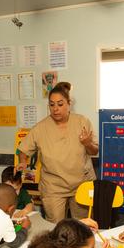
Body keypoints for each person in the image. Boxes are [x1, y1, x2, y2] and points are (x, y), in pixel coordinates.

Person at [17, 82, 98, 222]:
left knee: (83, 225)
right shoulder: (40, 128)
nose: (55, 109)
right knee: (55, 226)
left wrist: (87, 143)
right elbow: (23, 149)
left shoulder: (82, 121)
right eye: (52, 104)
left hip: (81, 183)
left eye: (60, 104)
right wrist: (23, 162)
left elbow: (94, 150)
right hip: (53, 187)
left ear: (69, 103)